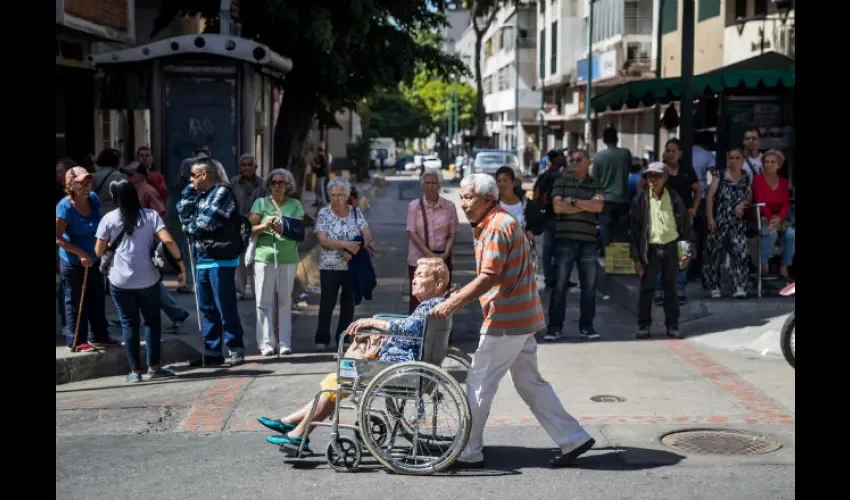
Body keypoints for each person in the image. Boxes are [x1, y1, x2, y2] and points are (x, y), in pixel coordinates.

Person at [431, 173, 595, 468]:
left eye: (469, 198)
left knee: (479, 383)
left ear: (488, 199)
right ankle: (574, 438)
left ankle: (468, 450)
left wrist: (454, 301)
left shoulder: (496, 226)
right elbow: (494, 275)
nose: (463, 204)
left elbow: (489, 276)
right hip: (521, 316)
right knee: (530, 383)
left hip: (506, 320)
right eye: (463, 198)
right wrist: (462, 293)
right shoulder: (497, 221)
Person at [256, 257, 451, 452]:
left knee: (338, 382)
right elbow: (411, 327)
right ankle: (292, 424)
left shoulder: (431, 306)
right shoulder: (434, 304)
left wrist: (374, 323)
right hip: (398, 365)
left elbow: (409, 328)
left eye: (421, 275)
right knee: (336, 381)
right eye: (415, 275)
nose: (414, 280)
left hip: (398, 368)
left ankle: (297, 432)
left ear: (438, 283)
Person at [95, 180, 187, 382]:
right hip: (148, 280)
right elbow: (168, 241)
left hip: (120, 281)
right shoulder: (150, 215)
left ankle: (135, 372)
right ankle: (154, 368)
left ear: (114, 197)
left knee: (129, 325)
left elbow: (98, 251)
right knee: (152, 324)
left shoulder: (109, 219)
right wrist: (180, 266)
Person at [177, 157, 247, 366]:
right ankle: (212, 350)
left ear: (204, 174)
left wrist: (189, 228)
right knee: (207, 307)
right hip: (202, 258)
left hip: (221, 258)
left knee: (224, 305)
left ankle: (236, 348)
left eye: (193, 176)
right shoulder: (199, 195)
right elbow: (183, 214)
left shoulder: (222, 193)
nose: (190, 180)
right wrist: (188, 193)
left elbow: (208, 221)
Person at [545, 150, 605, 342]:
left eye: (579, 160)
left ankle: (587, 326)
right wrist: (585, 204)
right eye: (572, 160)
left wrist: (571, 201)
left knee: (589, 287)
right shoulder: (562, 181)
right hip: (564, 240)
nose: (574, 163)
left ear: (589, 162)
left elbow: (599, 207)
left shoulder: (595, 183)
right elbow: (557, 207)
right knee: (560, 286)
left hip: (588, 241)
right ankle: (554, 328)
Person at [56, 167, 118, 351]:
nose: (86, 186)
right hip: (73, 262)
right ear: (70, 185)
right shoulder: (64, 207)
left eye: (88, 182)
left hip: (94, 258)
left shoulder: (93, 199)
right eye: (81, 183)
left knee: (97, 298)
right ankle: (76, 340)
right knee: (75, 301)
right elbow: (57, 237)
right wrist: (80, 253)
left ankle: (99, 335)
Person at [630, 162, 693, 340]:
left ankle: (672, 326)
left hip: (671, 247)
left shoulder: (674, 198)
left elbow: (685, 229)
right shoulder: (640, 200)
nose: (653, 180)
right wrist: (636, 258)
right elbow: (634, 232)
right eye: (650, 176)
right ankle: (643, 325)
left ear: (665, 178)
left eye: (657, 176)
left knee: (671, 289)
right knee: (647, 288)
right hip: (650, 249)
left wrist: (685, 252)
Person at [313, 177, 373, 351]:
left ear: (347, 196)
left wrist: (351, 251)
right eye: (332, 195)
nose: (336, 199)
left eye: (340, 195)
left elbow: (367, 236)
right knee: (327, 303)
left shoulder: (355, 212)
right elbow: (323, 240)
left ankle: (344, 337)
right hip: (329, 266)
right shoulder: (324, 213)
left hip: (351, 266)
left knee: (349, 303)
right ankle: (322, 338)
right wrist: (347, 245)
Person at [249, 168, 304, 356]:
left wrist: (281, 227)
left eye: (281, 183)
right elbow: (251, 228)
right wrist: (265, 225)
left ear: (288, 186)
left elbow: (298, 230)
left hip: (287, 257)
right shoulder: (260, 203)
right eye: (273, 182)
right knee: (263, 302)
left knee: (285, 301)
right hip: (264, 257)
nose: (276, 186)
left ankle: (284, 342)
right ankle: (266, 343)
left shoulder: (295, 204)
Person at [406, 168, 458, 313]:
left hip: (442, 259)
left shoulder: (449, 207)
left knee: (442, 299)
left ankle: (441, 333)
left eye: (433, 183)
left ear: (439, 185)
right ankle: (418, 333)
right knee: (418, 298)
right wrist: (429, 254)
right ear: (422, 185)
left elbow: (452, 233)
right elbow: (412, 232)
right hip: (418, 260)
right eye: (427, 183)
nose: (430, 186)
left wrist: (445, 253)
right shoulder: (414, 206)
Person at [703, 148, 753, 299]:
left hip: (738, 222)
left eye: (737, 158)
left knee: (741, 253)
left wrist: (743, 203)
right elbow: (710, 197)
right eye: (731, 157)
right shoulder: (719, 175)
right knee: (714, 254)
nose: (734, 161)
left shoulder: (745, 176)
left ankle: (739, 286)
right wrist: (710, 218)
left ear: (743, 160)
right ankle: (714, 286)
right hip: (720, 219)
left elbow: (749, 195)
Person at [231, 153, 267, 301]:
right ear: (240, 167)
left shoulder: (263, 184)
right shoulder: (233, 183)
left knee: (256, 258)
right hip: (238, 225)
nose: (246, 168)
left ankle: (256, 290)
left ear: (255, 167)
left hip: (257, 226)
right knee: (240, 260)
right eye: (243, 165)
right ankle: (239, 290)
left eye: (249, 165)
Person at [753, 150, 794, 279]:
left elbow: (786, 205)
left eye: (773, 162)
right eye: (767, 162)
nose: (769, 164)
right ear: (763, 164)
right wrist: (772, 220)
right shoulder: (758, 180)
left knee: (791, 234)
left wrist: (780, 219)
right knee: (771, 233)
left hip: (780, 218)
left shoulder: (784, 182)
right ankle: (764, 263)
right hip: (763, 217)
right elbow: (760, 202)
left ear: (779, 165)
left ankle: (785, 265)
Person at [592, 126, 633, 251]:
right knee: (622, 232)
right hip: (623, 200)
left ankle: (607, 258)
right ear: (617, 138)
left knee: (606, 232)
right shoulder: (625, 154)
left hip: (605, 200)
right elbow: (629, 170)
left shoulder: (598, 157)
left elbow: (595, 181)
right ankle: (621, 261)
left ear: (604, 140)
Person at [92, 149, 127, 215]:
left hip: (97, 212)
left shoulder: (93, 177)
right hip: (116, 212)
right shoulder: (121, 176)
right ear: (117, 161)